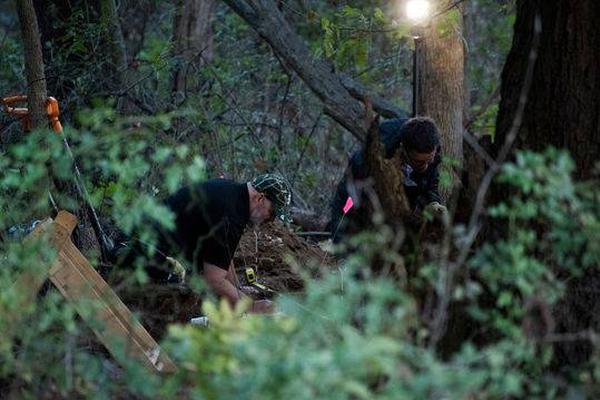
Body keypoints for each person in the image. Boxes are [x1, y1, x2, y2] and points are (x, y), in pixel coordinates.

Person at [112, 173, 292, 314]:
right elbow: (213, 280)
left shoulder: (230, 193)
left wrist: (237, 289)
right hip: (143, 255)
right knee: (190, 299)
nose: (271, 219)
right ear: (260, 198)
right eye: (273, 212)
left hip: (140, 240)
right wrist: (252, 308)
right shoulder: (230, 215)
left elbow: (220, 256)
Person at [329, 117, 447, 241]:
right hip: (369, 186)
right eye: (420, 162)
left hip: (403, 189)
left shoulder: (433, 146)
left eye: (429, 160)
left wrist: (433, 202)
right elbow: (347, 199)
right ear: (405, 151)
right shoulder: (374, 155)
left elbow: (430, 181)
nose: (426, 166)